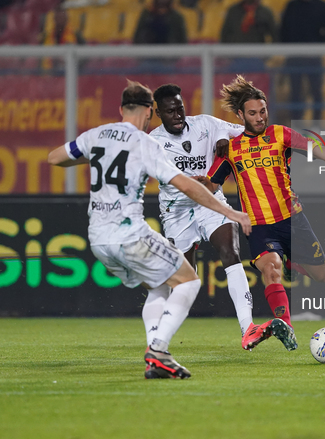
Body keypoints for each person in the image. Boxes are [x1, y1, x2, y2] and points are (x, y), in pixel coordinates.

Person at [47, 80, 251, 379]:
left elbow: (55, 158)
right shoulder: (146, 143)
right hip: (129, 235)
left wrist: (91, 157)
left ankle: (155, 359)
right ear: (148, 111)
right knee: (189, 282)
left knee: (159, 285)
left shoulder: (96, 135)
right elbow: (187, 186)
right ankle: (158, 350)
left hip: (98, 239)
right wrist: (230, 211)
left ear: (120, 109)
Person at [206, 75, 325, 351]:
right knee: (270, 269)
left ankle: (294, 264)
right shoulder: (230, 149)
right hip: (259, 225)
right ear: (240, 114)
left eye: (263, 111)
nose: (259, 117)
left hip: (292, 219)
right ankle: (286, 325)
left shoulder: (282, 135)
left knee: (322, 275)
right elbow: (211, 185)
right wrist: (181, 179)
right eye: (252, 113)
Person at [149, 83, 276, 351]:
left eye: (180, 108)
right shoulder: (154, 142)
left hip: (210, 204)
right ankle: (161, 337)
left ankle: (248, 328)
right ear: (159, 113)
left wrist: (224, 138)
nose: (178, 115)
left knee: (230, 253)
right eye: (170, 111)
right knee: (185, 280)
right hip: (176, 213)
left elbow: (246, 132)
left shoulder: (205, 125)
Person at [280, 0, 325, 121]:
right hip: (294, 57)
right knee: (295, 92)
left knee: (316, 92)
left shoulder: (321, 6)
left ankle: (316, 125)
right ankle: (296, 125)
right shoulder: (292, 6)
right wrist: (289, 48)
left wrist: (317, 45)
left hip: (313, 57)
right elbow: (283, 30)